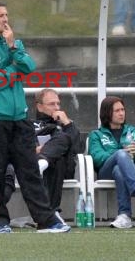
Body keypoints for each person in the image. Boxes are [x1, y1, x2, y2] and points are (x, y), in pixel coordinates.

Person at [0, 1, 70, 233]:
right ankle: (0, 222)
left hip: (20, 119)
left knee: (30, 172)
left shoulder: (14, 43)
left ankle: (46, 221)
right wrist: (14, 72)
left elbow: (30, 67)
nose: (6, 19)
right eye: (0, 15)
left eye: (7, 14)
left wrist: (13, 47)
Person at [88, 96, 135, 229]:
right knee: (121, 155)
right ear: (107, 113)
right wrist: (119, 153)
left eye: (122, 109)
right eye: (117, 110)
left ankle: (125, 216)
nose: (121, 113)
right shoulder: (96, 135)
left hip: (133, 171)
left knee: (119, 171)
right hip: (106, 172)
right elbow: (96, 157)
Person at [33, 88, 84, 221]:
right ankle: (52, 212)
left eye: (58, 103)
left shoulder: (65, 125)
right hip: (33, 168)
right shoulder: (29, 125)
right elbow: (20, 146)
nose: (56, 107)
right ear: (39, 106)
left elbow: (76, 148)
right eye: (51, 104)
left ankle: (43, 161)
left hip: (63, 169)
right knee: (55, 158)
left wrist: (67, 124)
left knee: (61, 146)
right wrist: (34, 150)